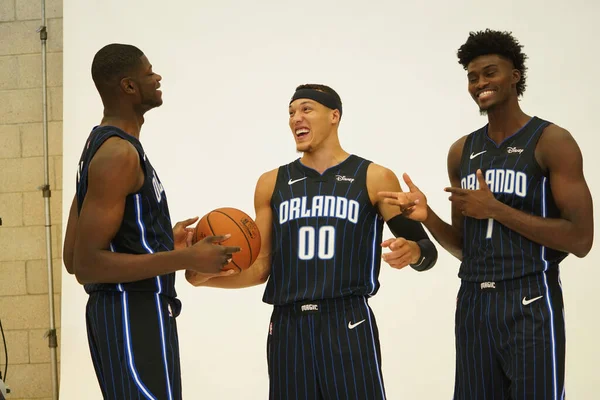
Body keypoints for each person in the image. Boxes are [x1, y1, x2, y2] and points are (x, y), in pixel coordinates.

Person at [186, 84, 438, 399]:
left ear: (334, 116)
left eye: (306, 109)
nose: (295, 118)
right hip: (288, 324)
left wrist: (413, 252)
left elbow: (427, 251)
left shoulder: (373, 177)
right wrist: (204, 277)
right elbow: (261, 266)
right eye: (291, 112)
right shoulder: (271, 183)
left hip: (346, 319)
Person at [379, 29, 594, 400]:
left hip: (530, 295)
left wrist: (496, 209)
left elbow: (581, 240)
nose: (480, 83)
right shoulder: (461, 151)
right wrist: (427, 216)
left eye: (490, 73)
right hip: (475, 299)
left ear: (515, 76)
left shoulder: (552, 141)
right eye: (473, 77)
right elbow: (467, 247)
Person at [62, 43, 240, 400]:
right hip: (130, 311)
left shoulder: (105, 146)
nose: (157, 77)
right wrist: (185, 259)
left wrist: (161, 244)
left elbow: (72, 255)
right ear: (128, 86)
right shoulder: (117, 154)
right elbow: (84, 265)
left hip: (130, 311)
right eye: (148, 73)